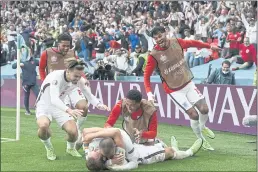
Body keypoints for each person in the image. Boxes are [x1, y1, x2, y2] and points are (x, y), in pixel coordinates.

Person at [144, 26, 221, 151]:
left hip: (187, 82)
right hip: (173, 89)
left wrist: (209, 46)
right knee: (194, 114)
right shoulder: (154, 55)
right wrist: (149, 93)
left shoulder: (177, 42)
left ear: (166, 33)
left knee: (204, 109)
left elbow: (193, 43)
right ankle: (201, 139)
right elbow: (146, 76)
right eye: (155, 38)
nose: (159, 39)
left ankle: (202, 127)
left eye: (160, 35)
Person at [36, 58, 109, 160]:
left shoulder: (79, 80)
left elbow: (89, 95)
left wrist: (99, 104)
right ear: (68, 71)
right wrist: (69, 110)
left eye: (80, 76)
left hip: (60, 105)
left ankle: (70, 148)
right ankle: (49, 148)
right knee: (43, 126)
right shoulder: (55, 77)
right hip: (45, 105)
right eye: (76, 76)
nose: (78, 79)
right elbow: (53, 99)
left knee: (73, 132)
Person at [39, 33, 98, 145]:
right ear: (58, 44)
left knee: (83, 106)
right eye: (63, 45)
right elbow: (41, 68)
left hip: (72, 85)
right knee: (64, 112)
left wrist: (84, 79)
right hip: (58, 87)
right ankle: (72, 134)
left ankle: (77, 127)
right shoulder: (46, 53)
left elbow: (77, 67)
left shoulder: (72, 53)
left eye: (68, 46)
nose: (66, 48)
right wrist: (45, 82)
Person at [82, 127, 203, 171]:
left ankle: (170, 147)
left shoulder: (91, 157)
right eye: (95, 152)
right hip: (138, 156)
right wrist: (91, 136)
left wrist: (88, 138)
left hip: (133, 146)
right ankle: (189, 152)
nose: (94, 150)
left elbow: (85, 131)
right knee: (170, 152)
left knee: (155, 141)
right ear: (103, 157)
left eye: (94, 151)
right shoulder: (117, 157)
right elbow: (115, 132)